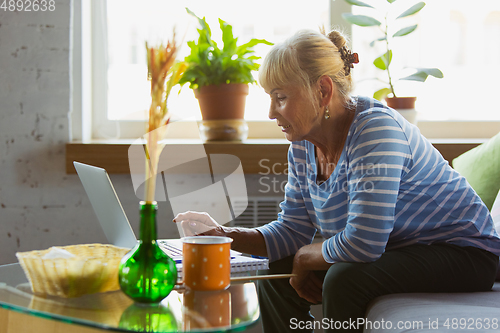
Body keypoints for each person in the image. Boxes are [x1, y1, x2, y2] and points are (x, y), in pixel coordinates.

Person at [174, 28, 500, 332]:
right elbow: (291, 233)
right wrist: (224, 235)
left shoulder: (375, 130)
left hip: (464, 254)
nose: (271, 113)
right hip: (401, 250)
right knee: (276, 268)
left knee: (345, 278)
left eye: (281, 97)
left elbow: (363, 242)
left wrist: (306, 257)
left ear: (323, 90)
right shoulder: (303, 146)